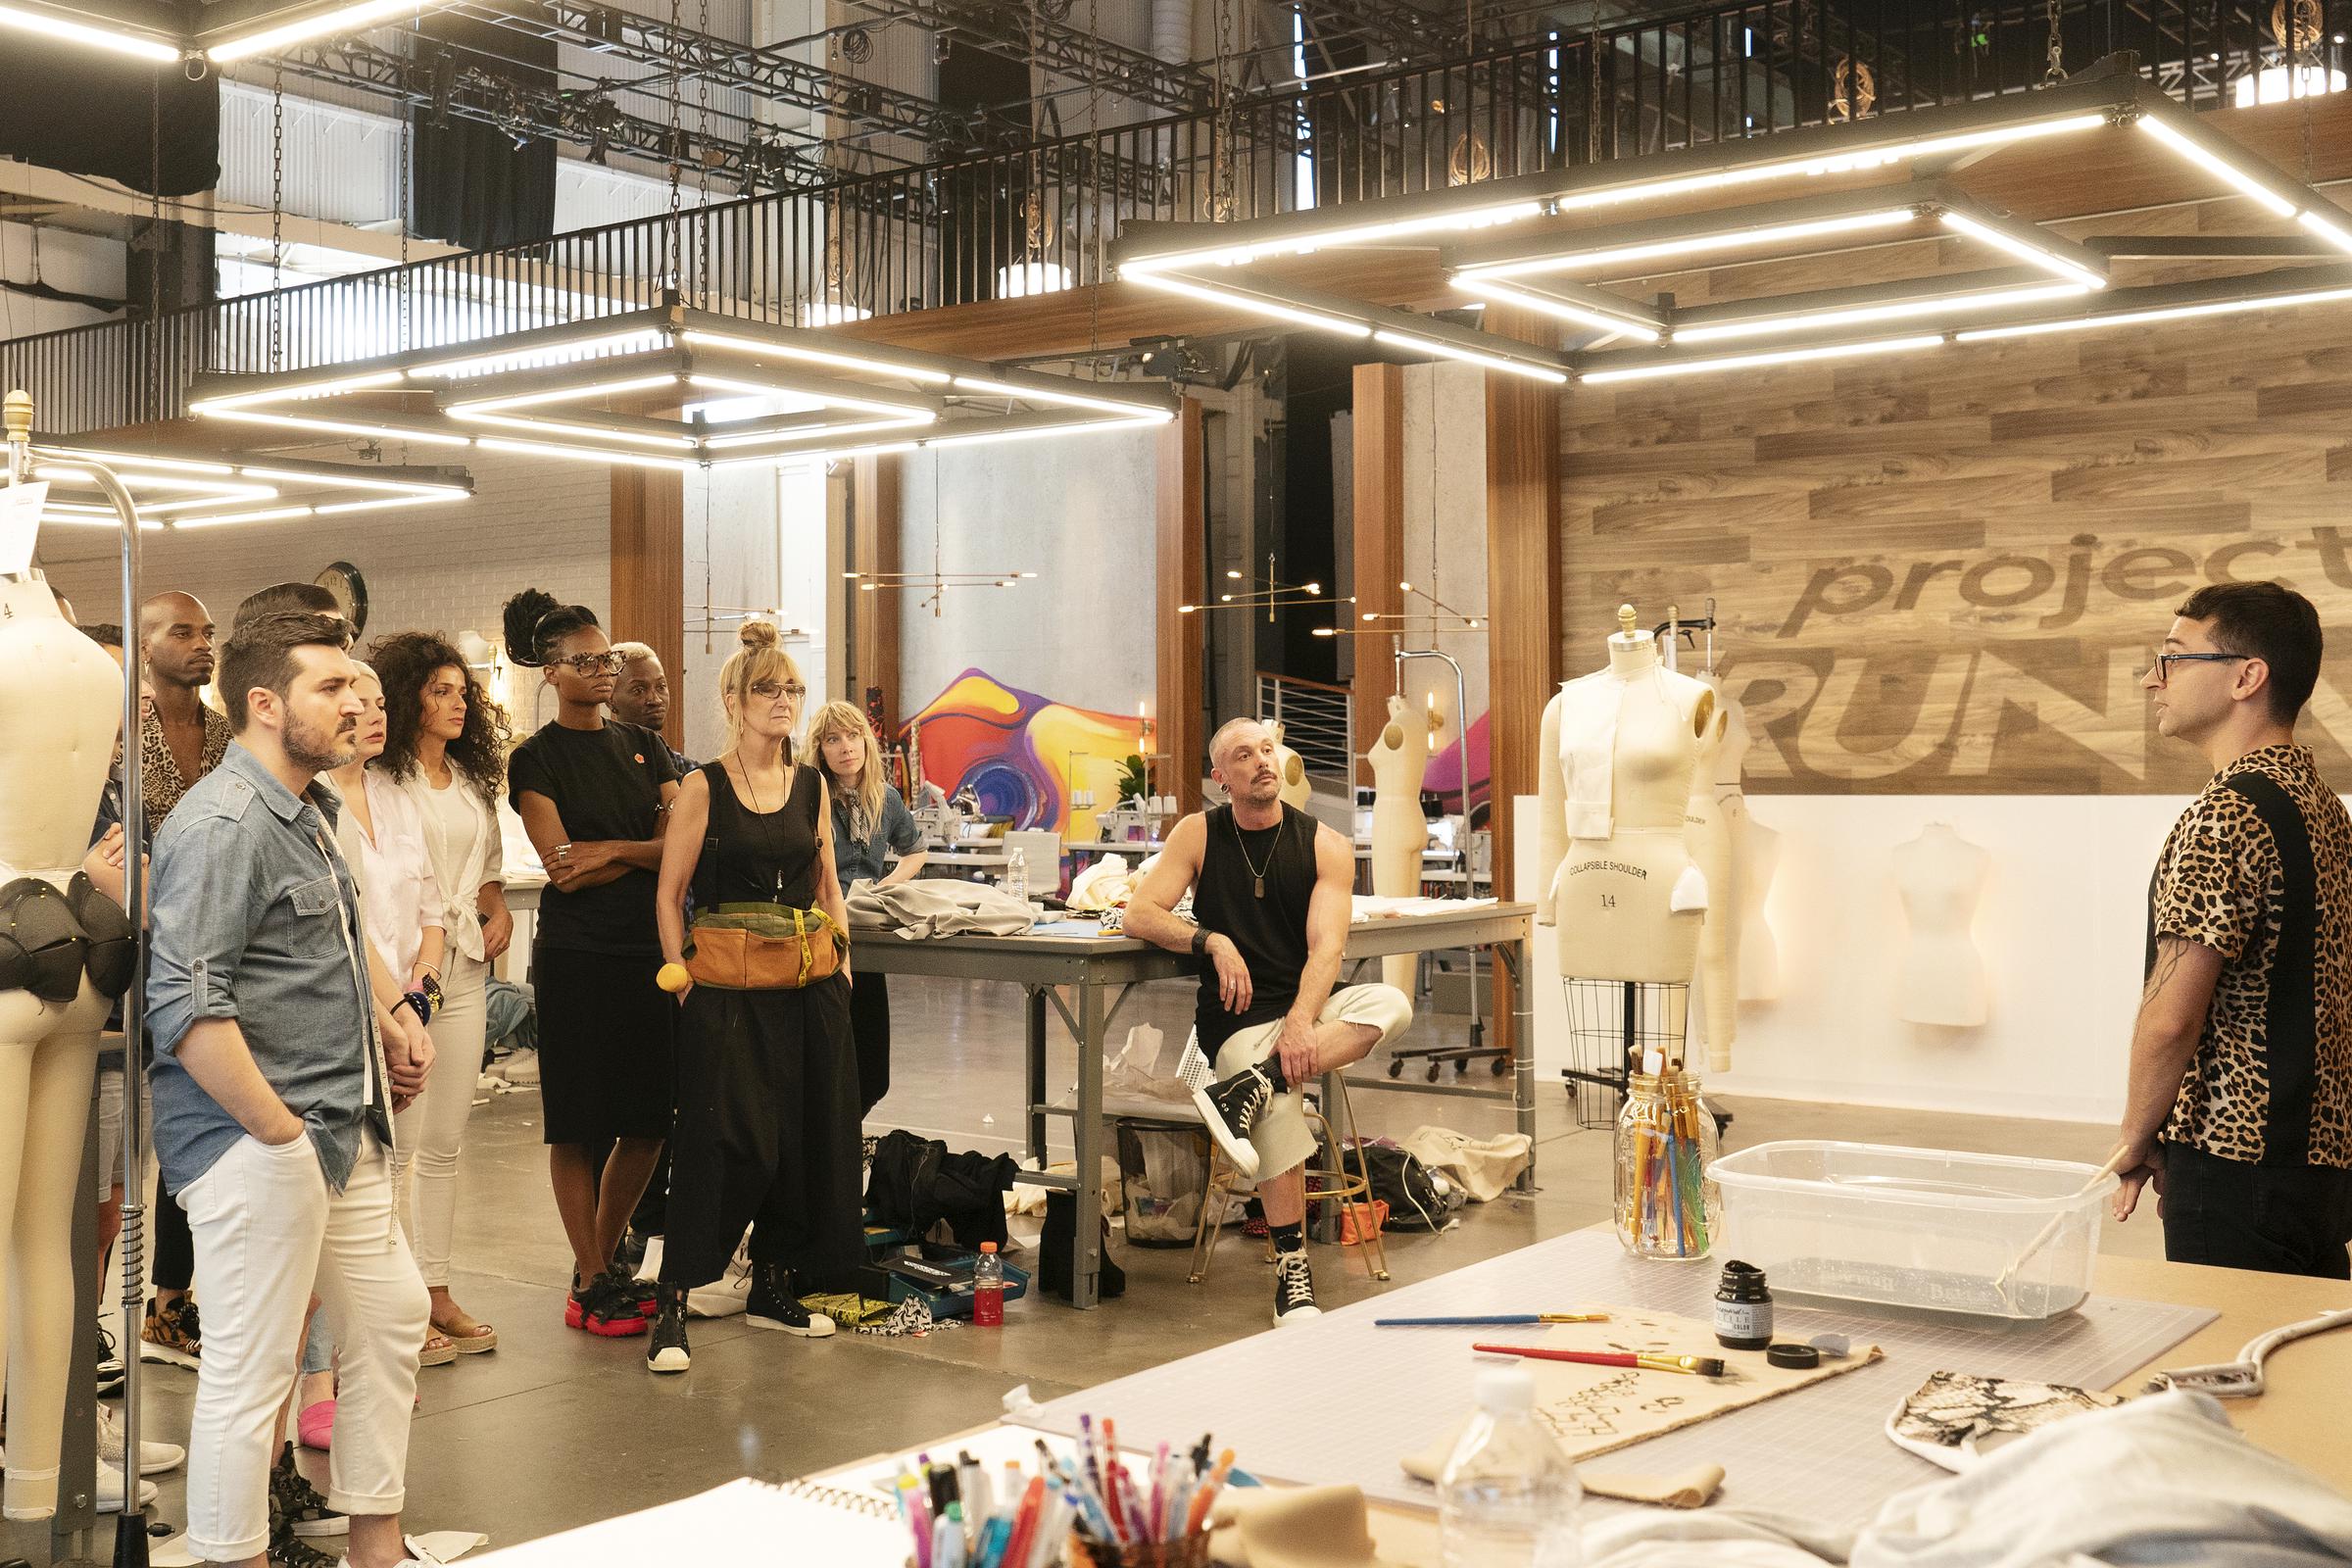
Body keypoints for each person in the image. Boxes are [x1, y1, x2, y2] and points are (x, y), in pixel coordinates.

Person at [144, 610, 435, 1568]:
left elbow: (325, 964)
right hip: (259, 1141)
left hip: (340, 1131)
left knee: (392, 1314)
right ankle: (236, 1556)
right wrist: (274, 1133)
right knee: (252, 1370)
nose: (357, 700)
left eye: (358, 683)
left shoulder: (309, 810)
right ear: (264, 704)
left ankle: (376, 1544)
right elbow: (187, 1004)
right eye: (331, 687)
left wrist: (388, 1025)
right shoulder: (225, 823)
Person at [1124, 717, 1412, 1327]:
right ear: (1220, 777)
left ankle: (1254, 1083)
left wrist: (1302, 1024)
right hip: (1234, 1022)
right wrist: (1210, 941)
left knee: (1391, 1004)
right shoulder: (1197, 834)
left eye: (1266, 749)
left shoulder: (1324, 843)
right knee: (1282, 1109)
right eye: (1241, 754)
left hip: (1307, 1005)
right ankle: (1291, 1268)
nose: (1260, 761)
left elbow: (1326, 949)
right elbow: (1139, 914)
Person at [2113, 581, 2352, 1279]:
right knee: (2306, 1375)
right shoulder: (2323, 810)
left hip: (2234, 1162)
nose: (2154, 679)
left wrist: (2135, 1136)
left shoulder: (2227, 815)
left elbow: (2170, 1021)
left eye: (2175, 657)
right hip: (2319, 1168)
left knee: (2223, 1380)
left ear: (2248, 676)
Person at [649, 624, 858, 1373]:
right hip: (725, 991)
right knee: (720, 1141)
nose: (783, 702)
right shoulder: (705, 785)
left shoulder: (812, 785)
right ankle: (672, 1302)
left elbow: (828, 882)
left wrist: (842, 959)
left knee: (802, 1141)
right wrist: (681, 978)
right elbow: (671, 896)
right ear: (733, 701)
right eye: (766, 689)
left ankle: (773, 1284)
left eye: (792, 689)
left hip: (807, 989)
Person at [503, 590, 677, 1336]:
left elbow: (684, 849)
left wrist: (607, 850)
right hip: (577, 957)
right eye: (585, 661)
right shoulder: (534, 758)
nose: (602, 672)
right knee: (576, 1126)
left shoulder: (645, 747)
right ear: (551, 672)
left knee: (647, 1123)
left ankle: (593, 1270)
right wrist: (636, 855)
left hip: (647, 952)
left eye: (606, 658)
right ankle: (598, 1274)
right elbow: (560, 869)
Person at [371, 631, 512, 1357]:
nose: (458, 703)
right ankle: (397, 1304)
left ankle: (435, 1286)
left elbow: (484, 869)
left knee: (448, 1142)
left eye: (463, 692)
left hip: (464, 967)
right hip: (404, 974)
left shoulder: (469, 781)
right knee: (402, 1143)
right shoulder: (379, 782)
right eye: (441, 691)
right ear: (408, 699)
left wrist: (500, 906)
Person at [325, 663, 460, 1373]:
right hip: (351, 1006)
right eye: (359, 703)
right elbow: (348, 929)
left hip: (409, 1002)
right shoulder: (315, 802)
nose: (374, 716)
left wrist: (420, 999)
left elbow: (432, 911)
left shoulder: (397, 795)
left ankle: (391, 1318)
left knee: (399, 1161)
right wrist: (389, 1015)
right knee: (356, 1175)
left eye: (382, 704)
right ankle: (356, 1338)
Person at [136, 589, 230, 1365]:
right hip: (133, 945)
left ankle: (172, 1300)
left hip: (211, 948)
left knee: (189, 1123)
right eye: (182, 632)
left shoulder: (230, 735)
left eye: (207, 632)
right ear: (144, 645)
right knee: (121, 1138)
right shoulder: (115, 736)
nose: (202, 644)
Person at [808, 700, 925, 1115]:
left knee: (873, 1071)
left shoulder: (886, 798)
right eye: (832, 739)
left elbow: (916, 850)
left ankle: (844, 1140)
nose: (846, 747)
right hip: (821, 934)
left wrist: (886, 887)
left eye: (853, 736)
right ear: (819, 749)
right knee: (825, 1061)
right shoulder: (807, 794)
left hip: (868, 935)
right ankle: (832, 1149)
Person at [610, 641, 692, 776]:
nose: (656, 700)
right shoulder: (607, 763)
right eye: (639, 690)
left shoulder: (685, 769)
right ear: (610, 699)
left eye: (661, 686)